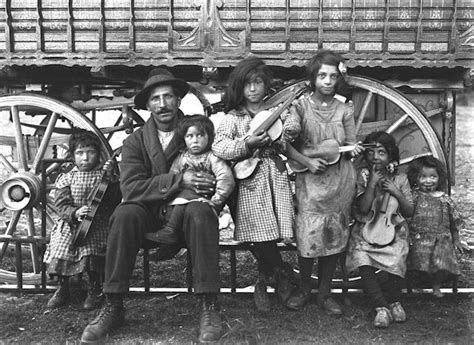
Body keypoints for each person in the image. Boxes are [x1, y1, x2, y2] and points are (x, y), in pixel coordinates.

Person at [80, 68, 224, 344]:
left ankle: (209, 304)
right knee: (124, 212)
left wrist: (200, 188)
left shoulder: (197, 134)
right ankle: (113, 304)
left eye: (168, 96)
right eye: (155, 99)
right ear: (147, 106)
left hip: (186, 215)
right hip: (150, 217)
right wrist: (179, 179)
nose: (163, 104)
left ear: (178, 100)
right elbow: (131, 188)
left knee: (201, 211)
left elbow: (213, 178)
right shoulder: (135, 141)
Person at [212, 57, 299, 313]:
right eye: (247, 84)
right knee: (257, 232)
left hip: (275, 177)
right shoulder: (233, 118)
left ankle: (265, 279)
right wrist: (246, 144)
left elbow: (292, 126)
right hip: (250, 183)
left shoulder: (277, 110)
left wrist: (288, 127)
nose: (253, 89)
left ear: (265, 84)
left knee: (271, 231)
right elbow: (220, 146)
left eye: (258, 82)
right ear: (239, 88)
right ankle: (280, 274)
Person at [285, 49, 362, 315]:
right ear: (313, 78)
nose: (327, 81)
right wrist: (307, 162)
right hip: (310, 181)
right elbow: (287, 145)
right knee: (308, 238)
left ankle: (325, 294)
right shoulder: (300, 107)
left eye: (332, 76)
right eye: (322, 76)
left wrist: (353, 149)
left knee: (333, 237)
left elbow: (350, 142)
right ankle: (305, 289)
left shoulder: (345, 109)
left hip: (339, 181)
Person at [44, 129, 121, 310]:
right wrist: (75, 212)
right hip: (71, 224)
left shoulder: (103, 177)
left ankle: (95, 289)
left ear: (98, 154)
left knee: (91, 249)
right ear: (72, 156)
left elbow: (115, 200)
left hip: (97, 224)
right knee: (62, 245)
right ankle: (63, 288)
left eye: (90, 152)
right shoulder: (67, 178)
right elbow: (61, 205)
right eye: (80, 153)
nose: (85, 158)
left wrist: (111, 178)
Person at [345, 131, 414, 328]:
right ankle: (381, 307)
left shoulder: (400, 179)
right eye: (371, 152)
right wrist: (372, 184)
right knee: (362, 257)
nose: (375, 157)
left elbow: (409, 211)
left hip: (393, 229)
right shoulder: (363, 176)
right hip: (366, 227)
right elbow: (364, 208)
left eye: (382, 152)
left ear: (391, 155)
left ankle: (394, 300)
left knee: (398, 253)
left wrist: (395, 192)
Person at [146, 114, 234, 244]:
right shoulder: (182, 157)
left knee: (184, 200)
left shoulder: (213, 158)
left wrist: (216, 200)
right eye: (189, 136)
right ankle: (171, 236)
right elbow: (173, 175)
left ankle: (170, 230)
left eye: (200, 135)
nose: (195, 141)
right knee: (174, 205)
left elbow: (226, 179)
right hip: (184, 194)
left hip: (205, 197)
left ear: (209, 137)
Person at [406, 156, 463, 298]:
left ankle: (436, 286)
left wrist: (456, 240)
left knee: (440, 262)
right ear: (415, 178)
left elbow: (454, 221)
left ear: (439, 178)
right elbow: (407, 217)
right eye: (423, 177)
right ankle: (413, 284)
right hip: (419, 237)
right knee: (417, 259)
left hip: (441, 238)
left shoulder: (444, 198)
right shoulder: (414, 197)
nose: (428, 181)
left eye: (433, 176)